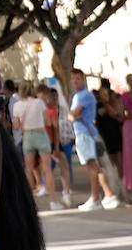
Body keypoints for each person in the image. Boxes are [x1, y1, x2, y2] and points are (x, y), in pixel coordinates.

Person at [70, 69, 120, 210]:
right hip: (87, 133)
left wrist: (73, 116)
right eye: (73, 79)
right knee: (95, 166)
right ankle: (107, 195)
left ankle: (97, 197)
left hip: (85, 134)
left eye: (78, 78)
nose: (75, 81)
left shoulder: (83, 96)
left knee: (92, 166)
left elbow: (74, 114)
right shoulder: (79, 96)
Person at [14, 84, 60, 209]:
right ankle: (53, 201)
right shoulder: (39, 103)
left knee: (28, 169)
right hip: (41, 135)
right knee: (47, 169)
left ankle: (30, 203)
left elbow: (16, 126)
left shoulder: (16, 105)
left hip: (27, 136)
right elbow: (47, 121)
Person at [42, 87, 74, 207]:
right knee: (51, 169)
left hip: (60, 142)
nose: (53, 99)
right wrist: (55, 147)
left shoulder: (58, 109)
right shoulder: (48, 110)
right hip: (52, 143)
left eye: (55, 96)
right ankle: (57, 196)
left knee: (64, 167)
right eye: (51, 96)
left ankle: (65, 192)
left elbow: (62, 127)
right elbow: (56, 129)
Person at [95, 77, 125, 178]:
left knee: (119, 158)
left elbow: (115, 114)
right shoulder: (98, 105)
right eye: (102, 94)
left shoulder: (111, 104)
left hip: (114, 132)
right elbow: (101, 113)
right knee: (109, 159)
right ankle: (114, 180)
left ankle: (122, 180)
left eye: (106, 94)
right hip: (104, 134)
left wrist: (108, 103)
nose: (104, 96)